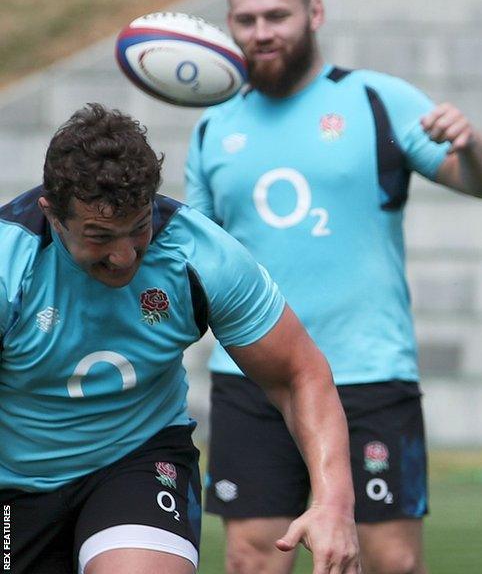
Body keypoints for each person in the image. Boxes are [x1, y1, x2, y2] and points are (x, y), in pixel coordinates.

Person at [185, 0, 482, 573]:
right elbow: (200, 260)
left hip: (370, 372)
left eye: (277, 16)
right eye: (247, 20)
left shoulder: (377, 100)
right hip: (252, 376)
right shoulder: (214, 126)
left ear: (315, 14)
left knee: (392, 563)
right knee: (250, 560)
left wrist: (471, 145)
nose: (261, 33)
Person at [0, 103, 359, 574]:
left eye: (138, 228)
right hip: (14, 485)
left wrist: (334, 504)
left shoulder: (201, 256)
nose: (125, 256)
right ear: (53, 214)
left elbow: (297, 374)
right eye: (100, 236)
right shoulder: (11, 264)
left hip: (137, 459)